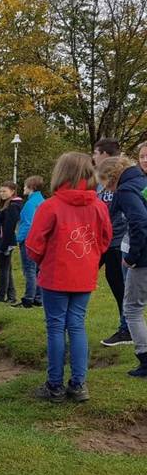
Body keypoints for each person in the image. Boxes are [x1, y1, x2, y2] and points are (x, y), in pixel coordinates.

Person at [26, 152, 112, 402]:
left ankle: (54, 385)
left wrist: (43, 261)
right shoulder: (99, 206)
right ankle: (78, 384)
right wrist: (90, 259)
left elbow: (34, 244)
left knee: (55, 327)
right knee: (76, 325)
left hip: (56, 274)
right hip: (83, 274)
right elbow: (105, 240)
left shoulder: (50, 206)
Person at [106, 156, 147, 377]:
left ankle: (145, 358)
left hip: (142, 258)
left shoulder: (125, 190)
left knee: (132, 309)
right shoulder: (142, 182)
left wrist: (132, 256)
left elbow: (140, 222)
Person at [92, 138, 131, 346]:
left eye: (96, 153)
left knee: (120, 286)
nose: (93, 157)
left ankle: (127, 329)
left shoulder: (123, 178)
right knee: (89, 278)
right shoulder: (99, 181)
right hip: (102, 241)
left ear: (105, 155)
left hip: (118, 241)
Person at [13, 176, 45, 308]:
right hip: (40, 240)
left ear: (31, 187)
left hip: (29, 240)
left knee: (29, 270)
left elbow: (27, 224)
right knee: (38, 269)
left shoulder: (30, 204)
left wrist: (18, 239)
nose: (23, 188)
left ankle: (28, 298)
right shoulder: (42, 201)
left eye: (25, 186)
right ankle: (38, 297)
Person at [0, 182, 22, 303]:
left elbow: (9, 227)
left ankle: (1, 295)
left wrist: (4, 245)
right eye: (1, 191)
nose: (2, 194)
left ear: (12, 191)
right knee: (6, 268)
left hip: (4, 242)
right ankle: (11, 295)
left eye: (4, 191)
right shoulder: (4, 205)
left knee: (3, 269)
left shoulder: (13, 206)